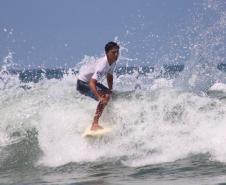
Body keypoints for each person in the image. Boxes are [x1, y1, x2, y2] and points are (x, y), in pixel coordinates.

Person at [76, 41, 120, 131]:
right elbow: (92, 83)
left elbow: (109, 75)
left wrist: (110, 89)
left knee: (110, 94)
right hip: (82, 84)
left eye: (117, 52)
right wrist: (99, 97)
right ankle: (95, 124)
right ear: (107, 53)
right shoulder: (102, 65)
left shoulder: (113, 62)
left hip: (90, 82)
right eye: (113, 52)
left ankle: (109, 118)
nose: (116, 55)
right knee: (105, 97)